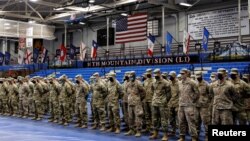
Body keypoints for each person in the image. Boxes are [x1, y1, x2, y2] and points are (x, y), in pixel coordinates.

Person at [178, 68, 199, 141]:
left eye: (183, 73)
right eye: (181, 74)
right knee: (181, 122)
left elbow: (197, 93)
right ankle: (182, 136)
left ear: (187, 73)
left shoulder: (192, 82)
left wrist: (192, 100)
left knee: (191, 122)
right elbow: (179, 93)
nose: (181, 75)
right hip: (181, 105)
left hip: (189, 105)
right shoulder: (179, 82)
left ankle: (193, 137)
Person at [150, 69, 171, 141]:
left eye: (157, 75)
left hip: (162, 104)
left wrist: (164, 101)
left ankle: (165, 135)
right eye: (155, 75)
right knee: (155, 119)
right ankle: (155, 133)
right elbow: (153, 91)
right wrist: (154, 99)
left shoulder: (166, 83)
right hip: (155, 103)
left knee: (164, 119)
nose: (156, 77)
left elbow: (169, 94)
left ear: (160, 74)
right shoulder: (153, 82)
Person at [124, 71, 145, 137]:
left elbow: (143, 92)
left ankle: (138, 130)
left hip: (137, 103)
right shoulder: (128, 84)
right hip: (130, 103)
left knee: (138, 117)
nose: (130, 78)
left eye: (132, 76)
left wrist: (138, 99)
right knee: (130, 117)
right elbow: (126, 92)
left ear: (134, 76)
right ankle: (131, 129)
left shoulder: (138, 83)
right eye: (130, 76)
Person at [195, 71, 211, 141]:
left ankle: (207, 135)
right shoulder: (195, 84)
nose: (198, 77)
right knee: (196, 121)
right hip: (196, 106)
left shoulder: (207, 84)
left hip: (204, 106)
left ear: (202, 76)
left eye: (199, 75)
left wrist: (207, 102)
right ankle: (196, 135)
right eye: (197, 75)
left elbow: (210, 95)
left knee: (206, 121)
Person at [167, 71, 180, 136]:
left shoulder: (179, 83)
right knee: (171, 119)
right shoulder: (169, 83)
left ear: (174, 76)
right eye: (169, 76)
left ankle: (181, 133)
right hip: (170, 103)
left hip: (177, 103)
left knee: (179, 119)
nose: (170, 77)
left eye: (171, 76)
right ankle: (173, 130)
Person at [142, 69, 154, 133]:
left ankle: (152, 129)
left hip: (152, 100)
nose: (148, 74)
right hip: (146, 100)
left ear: (151, 73)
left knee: (153, 115)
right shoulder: (145, 81)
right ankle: (147, 127)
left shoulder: (154, 80)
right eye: (147, 73)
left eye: (149, 72)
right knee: (147, 115)